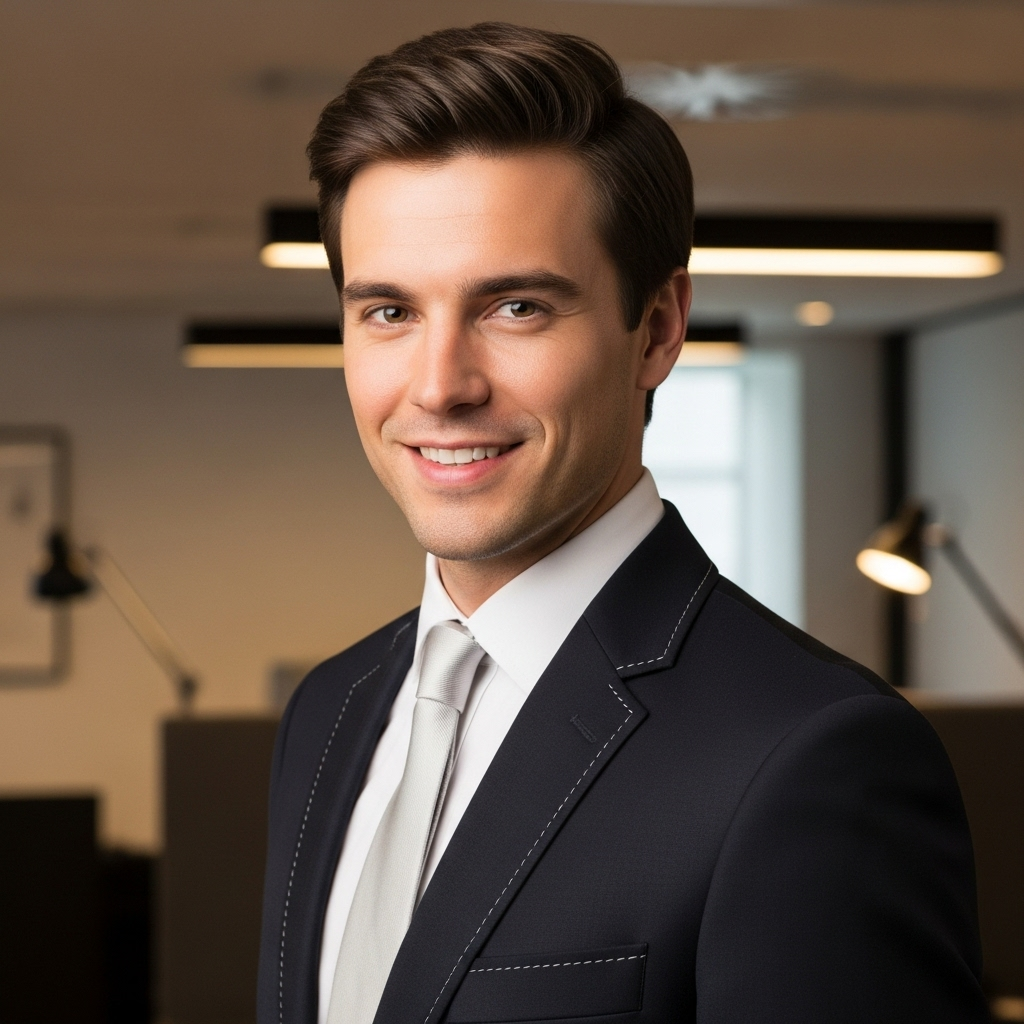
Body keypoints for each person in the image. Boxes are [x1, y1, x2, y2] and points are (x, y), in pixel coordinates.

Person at [258, 22, 987, 1024]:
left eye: (514, 307)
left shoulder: (810, 758)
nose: (438, 385)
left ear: (655, 329)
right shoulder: (330, 710)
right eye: (388, 312)